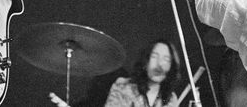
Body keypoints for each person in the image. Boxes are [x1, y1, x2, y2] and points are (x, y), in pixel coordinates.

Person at [48, 39, 181, 107]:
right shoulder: (124, 87)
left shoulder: (170, 98)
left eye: (166, 59)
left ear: (171, 66)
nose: (159, 64)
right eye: (154, 56)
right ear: (145, 61)